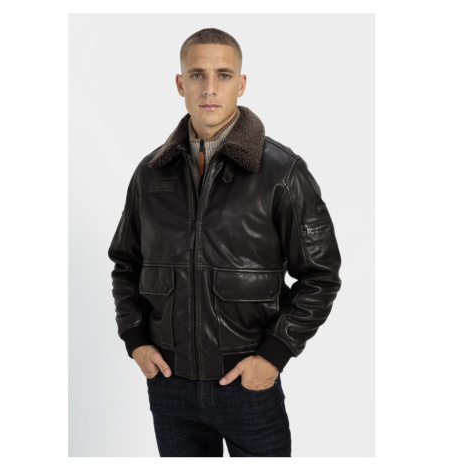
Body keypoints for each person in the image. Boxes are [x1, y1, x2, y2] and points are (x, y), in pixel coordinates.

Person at [108, 27, 342, 457]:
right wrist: (135, 339)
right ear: (180, 84)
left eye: (224, 74)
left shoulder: (282, 172)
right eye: (197, 74)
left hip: (247, 383)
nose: (210, 88)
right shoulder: (149, 174)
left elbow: (321, 276)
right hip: (169, 385)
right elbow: (126, 264)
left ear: (242, 83)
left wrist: (273, 355)